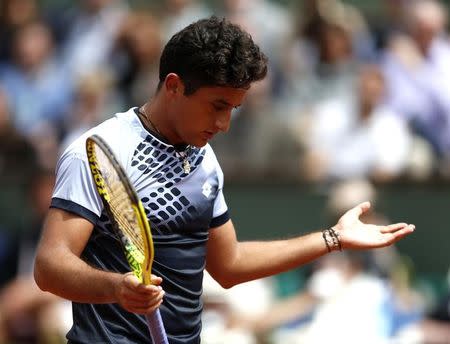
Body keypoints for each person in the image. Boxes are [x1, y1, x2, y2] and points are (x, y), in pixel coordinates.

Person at [34, 16, 415, 344]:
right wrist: (116, 289)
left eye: (233, 108)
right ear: (173, 86)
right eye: (217, 106)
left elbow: (228, 266)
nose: (224, 124)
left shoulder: (204, 158)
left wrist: (332, 239)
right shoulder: (98, 149)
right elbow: (49, 267)